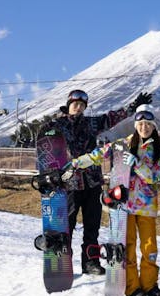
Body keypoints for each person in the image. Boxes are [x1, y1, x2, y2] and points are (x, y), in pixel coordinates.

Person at [50, 89, 152, 275]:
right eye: (75, 104)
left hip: (92, 181)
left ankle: (91, 262)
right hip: (70, 182)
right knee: (68, 224)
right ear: (68, 104)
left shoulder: (90, 123)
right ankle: (62, 261)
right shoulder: (57, 125)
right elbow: (46, 148)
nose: (79, 107)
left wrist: (132, 108)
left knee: (92, 225)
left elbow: (111, 118)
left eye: (82, 105)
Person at [72, 105, 160, 296]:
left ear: (153, 127)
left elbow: (156, 177)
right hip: (125, 205)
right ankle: (132, 287)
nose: (144, 127)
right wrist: (77, 163)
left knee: (150, 248)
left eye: (148, 124)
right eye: (140, 124)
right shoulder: (122, 144)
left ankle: (150, 285)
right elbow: (98, 155)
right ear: (135, 125)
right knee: (128, 246)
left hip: (147, 205)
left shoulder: (157, 149)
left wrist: (138, 165)